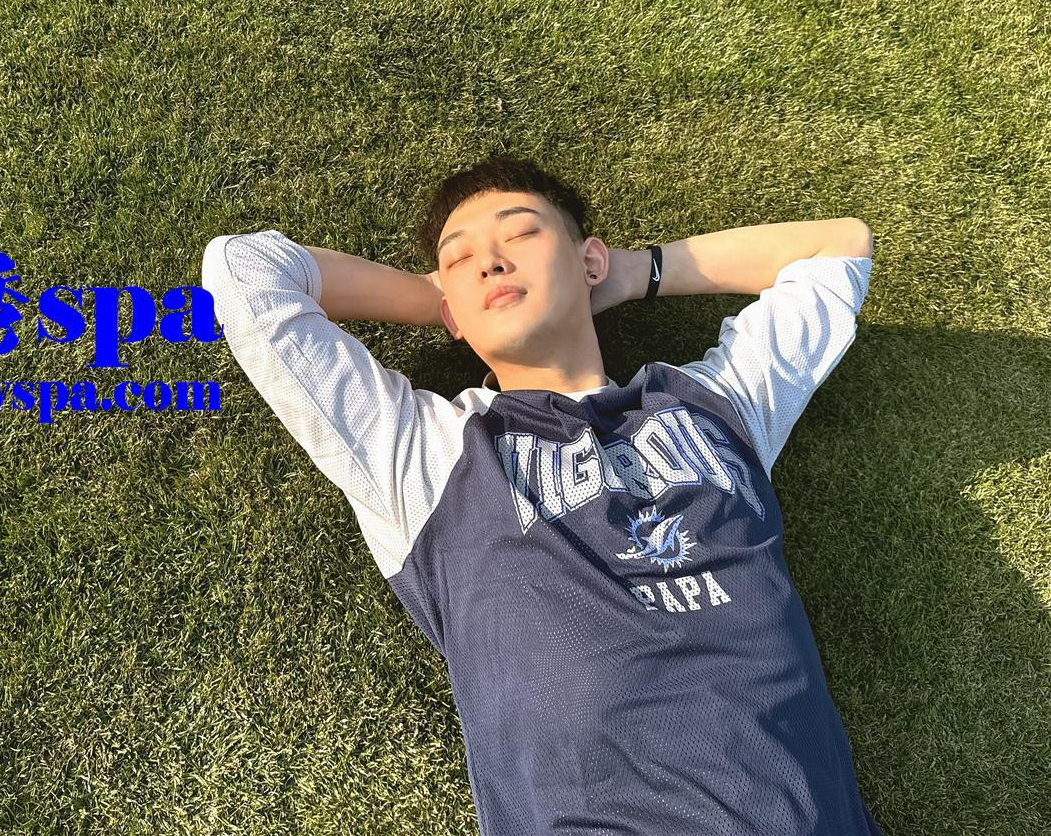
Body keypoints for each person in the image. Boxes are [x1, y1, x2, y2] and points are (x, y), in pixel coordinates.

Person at [200, 153, 883, 836]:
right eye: (459, 257)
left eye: (521, 233)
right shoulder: (425, 453)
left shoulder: (716, 406)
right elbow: (243, 270)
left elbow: (840, 246)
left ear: (589, 261)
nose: (490, 263)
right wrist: (440, 302)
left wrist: (628, 273)